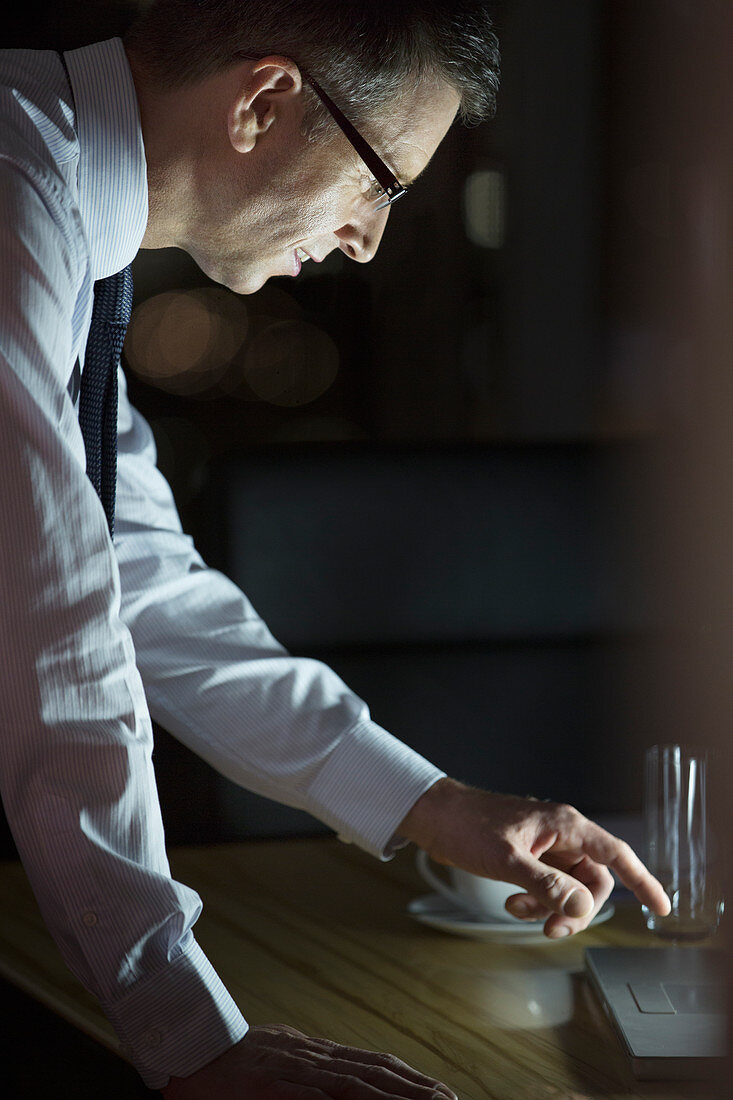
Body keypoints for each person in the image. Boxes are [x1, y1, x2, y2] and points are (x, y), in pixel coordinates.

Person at [0, 1, 670, 1096]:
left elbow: (137, 578)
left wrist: (430, 802)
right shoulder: (13, 196)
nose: (367, 238)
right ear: (264, 101)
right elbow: (55, 637)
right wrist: (194, 1038)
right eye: (382, 183)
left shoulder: (60, 207)